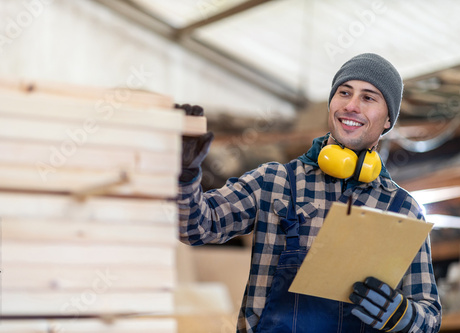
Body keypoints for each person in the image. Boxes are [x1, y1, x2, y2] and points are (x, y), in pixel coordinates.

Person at [176, 53, 442, 333]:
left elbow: (430, 319)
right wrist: (185, 176)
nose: (351, 106)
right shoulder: (274, 182)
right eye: (344, 92)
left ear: (388, 120)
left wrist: (401, 314)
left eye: (368, 98)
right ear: (331, 103)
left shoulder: (402, 210)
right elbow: (194, 228)